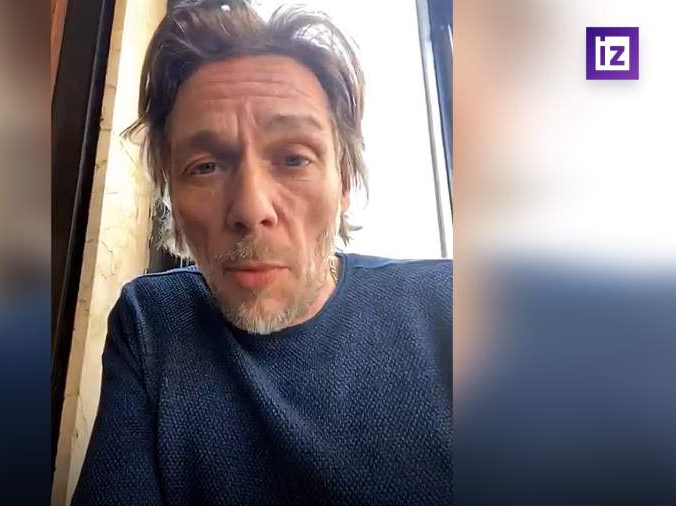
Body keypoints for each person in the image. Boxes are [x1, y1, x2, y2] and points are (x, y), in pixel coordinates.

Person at [72, 1, 451, 504]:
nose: (251, 209)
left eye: (294, 158)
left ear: (343, 183)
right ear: (172, 199)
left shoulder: (453, 305)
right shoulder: (152, 324)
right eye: (205, 167)